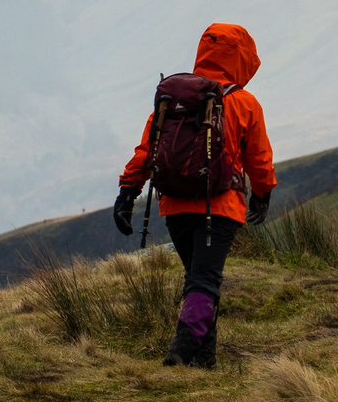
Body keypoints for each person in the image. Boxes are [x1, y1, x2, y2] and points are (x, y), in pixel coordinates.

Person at [111, 21, 277, 367]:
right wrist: (263, 194)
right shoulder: (244, 103)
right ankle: (184, 346)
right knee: (205, 281)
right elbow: (258, 159)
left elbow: (148, 149)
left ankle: (205, 365)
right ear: (243, 58)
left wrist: (128, 192)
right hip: (219, 206)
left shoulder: (175, 99)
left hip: (174, 205)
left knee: (198, 280)